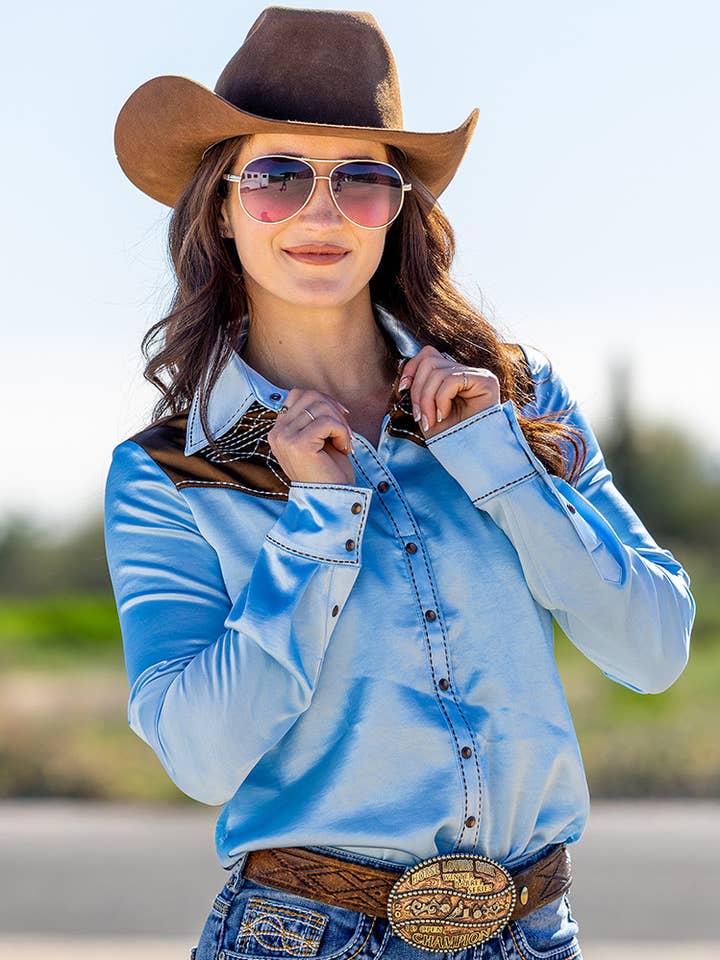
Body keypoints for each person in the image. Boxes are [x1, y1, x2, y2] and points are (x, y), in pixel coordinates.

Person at [104, 8, 695, 960]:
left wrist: (501, 469)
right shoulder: (170, 470)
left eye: (363, 181)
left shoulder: (518, 400)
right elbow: (203, 758)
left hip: (534, 935)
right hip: (300, 938)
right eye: (279, 176)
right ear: (220, 203)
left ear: (400, 209)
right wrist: (318, 524)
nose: (322, 211)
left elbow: (656, 649)